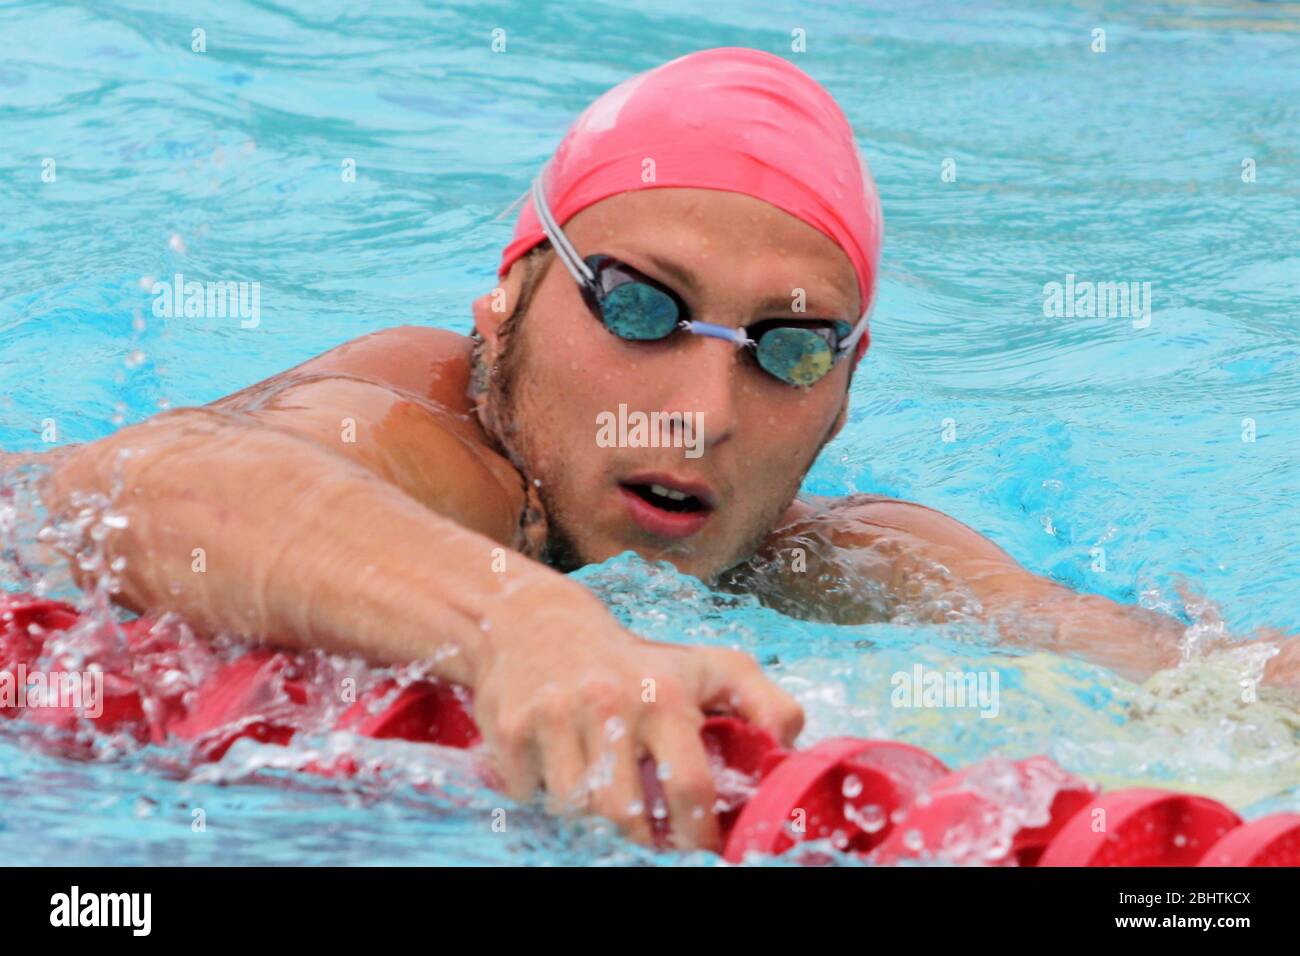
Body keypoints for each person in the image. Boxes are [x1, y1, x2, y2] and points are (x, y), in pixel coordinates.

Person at [14, 47, 1298, 851]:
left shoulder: (827, 550)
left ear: (844, 394)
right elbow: (155, 484)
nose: (699, 410)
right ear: (505, 303)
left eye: (789, 345)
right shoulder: (416, 418)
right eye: (635, 304)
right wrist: (520, 624)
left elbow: (1170, 668)